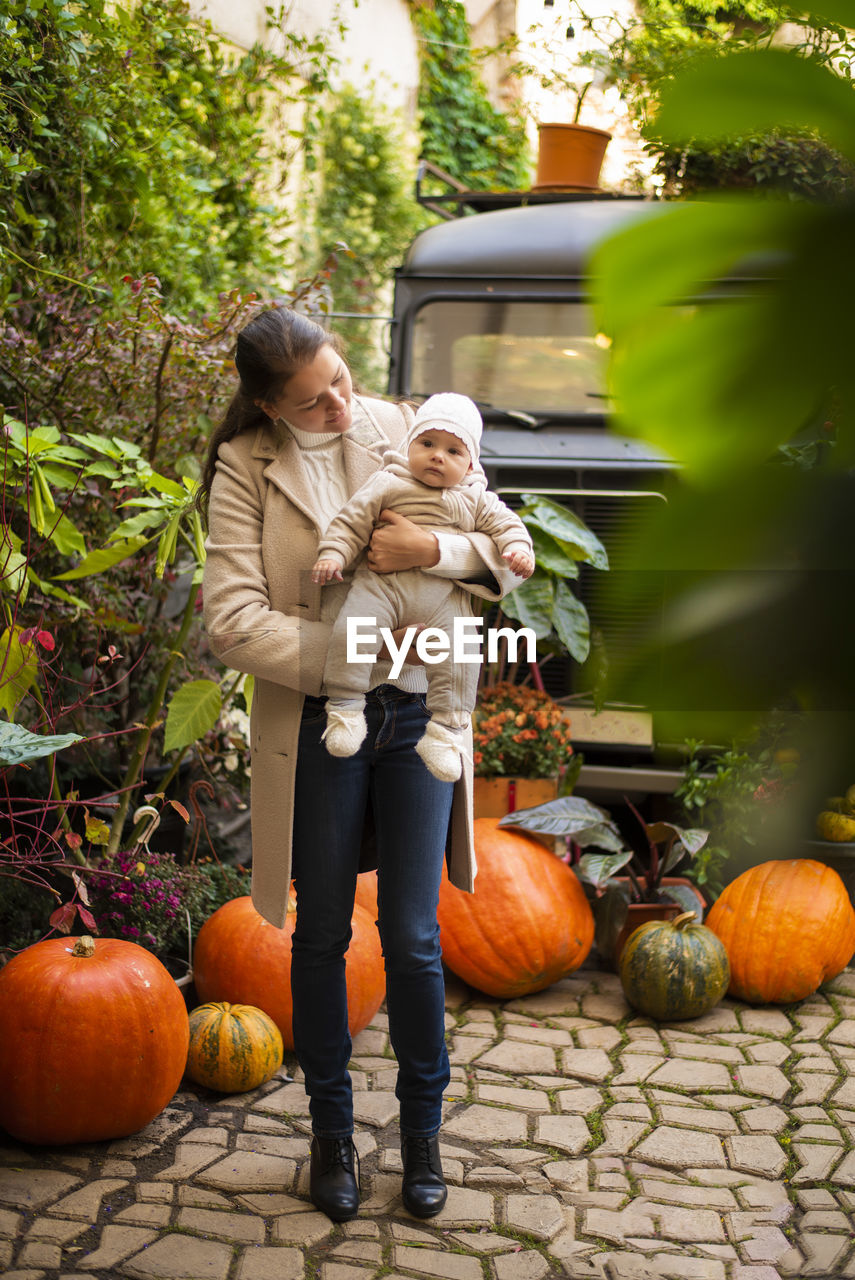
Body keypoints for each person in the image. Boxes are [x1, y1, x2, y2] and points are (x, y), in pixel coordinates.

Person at [199, 307, 523, 1223]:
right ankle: (331, 1136)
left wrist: (433, 551)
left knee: (416, 940)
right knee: (321, 935)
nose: (341, 405)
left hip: (422, 719)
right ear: (268, 407)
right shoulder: (241, 470)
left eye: (341, 380)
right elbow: (233, 621)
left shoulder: (402, 426)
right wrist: (360, 655)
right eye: (312, 401)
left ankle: (423, 1136)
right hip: (321, 720)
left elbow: (496, 546)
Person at [311, 392, 534, 782]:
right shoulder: (387, 482)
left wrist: (516, 548)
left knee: (463, 654)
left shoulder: (475, 499)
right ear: (409, 444)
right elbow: (350, 523)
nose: (437, 456)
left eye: (453, 451)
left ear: (469, 465)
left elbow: (508, 526)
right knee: (352, 629)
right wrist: (333, 555)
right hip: (382, 588)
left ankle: (445, 732)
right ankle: (345, 708)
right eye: (427, 444)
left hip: (442, 601)